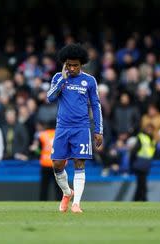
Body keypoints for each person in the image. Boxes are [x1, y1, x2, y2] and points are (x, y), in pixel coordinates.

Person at [47, 43, 103, 213]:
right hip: (62, 127)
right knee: (57, 164)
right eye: (69, 64)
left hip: (82, 127)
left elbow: (96, 105)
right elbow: (50, 98)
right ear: (64, 64)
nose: (72, 68)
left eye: (75, 65)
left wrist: (98, 130)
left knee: (79, 163)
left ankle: (76, 203)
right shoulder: (58, 77)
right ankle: (67, 192)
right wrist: (63, 80)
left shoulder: (89, 80)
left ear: (82, 64)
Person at [30, 122, 62, 201]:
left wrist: (36, 151)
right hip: (58, 164)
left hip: (45, 164)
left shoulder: (42, 135)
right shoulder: (60, 134)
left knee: (44, 187)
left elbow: (37, 150)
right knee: (59, 186)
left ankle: (42, 201)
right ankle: (60, 202)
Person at [130, 124, 156, 201]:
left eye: (151, 129)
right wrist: (132, 163)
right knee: (142, 184)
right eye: (148, 129)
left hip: (145, 164)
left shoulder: (151, 140)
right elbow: (134, 151)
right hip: (140, 164)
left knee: (141, 184)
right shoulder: (142, 138)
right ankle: (143, 199)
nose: (150, 131)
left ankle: (138, 199)